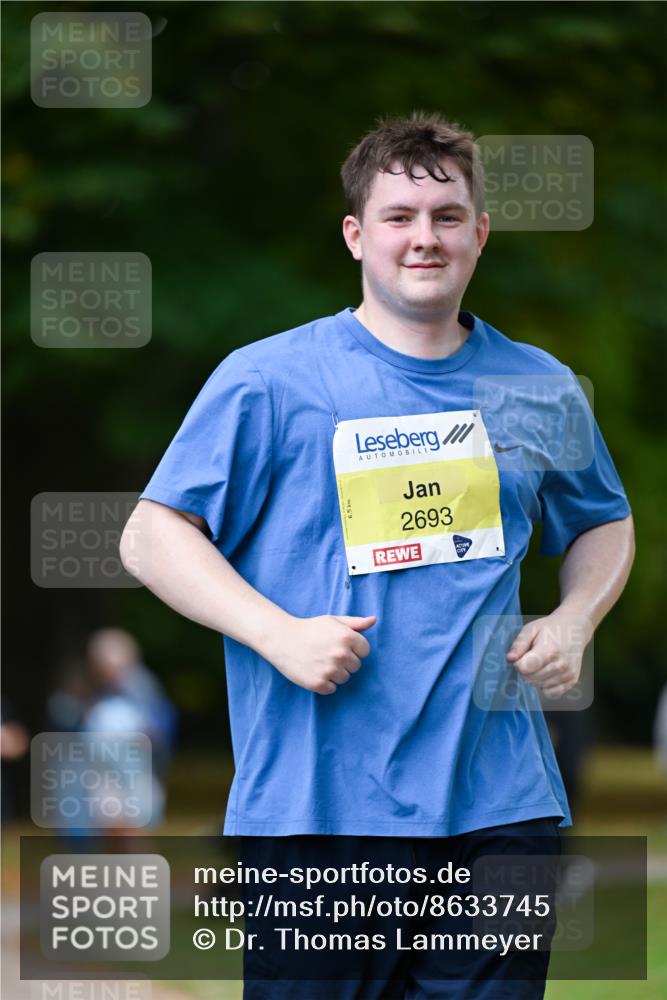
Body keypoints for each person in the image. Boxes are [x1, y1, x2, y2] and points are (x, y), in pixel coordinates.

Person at [121, 112, 634, 998]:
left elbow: (603, 520)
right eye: (398, 217)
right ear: (357, 234)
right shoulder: (268, 378)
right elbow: (151, 534)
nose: (422, 238)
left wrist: (574, 617)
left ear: (478, 233)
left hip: (501, 809)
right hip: (318, 813)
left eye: (445, 216)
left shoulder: (535, 384)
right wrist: (276, 633)